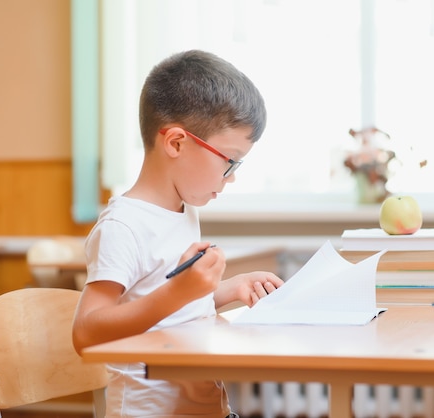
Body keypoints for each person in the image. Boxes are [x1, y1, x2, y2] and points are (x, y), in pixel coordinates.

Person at [72, 50, 284, 418]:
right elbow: (87, 333)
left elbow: (170, 311)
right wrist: (180, 291)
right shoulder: (123, 226)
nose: (231, 176)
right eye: (229, 160)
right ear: (175, 143)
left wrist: (226, 290)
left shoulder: (183, 210)